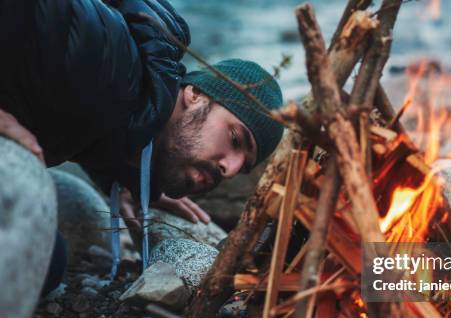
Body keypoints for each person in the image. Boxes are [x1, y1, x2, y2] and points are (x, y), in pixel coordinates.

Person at [0, 0, 284, 293]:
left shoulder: (119, 99)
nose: (230, 168)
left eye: (243, 167)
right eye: (235, 139)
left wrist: (127, 172)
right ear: (195, 94)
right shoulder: (104, 52)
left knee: (46, 261)